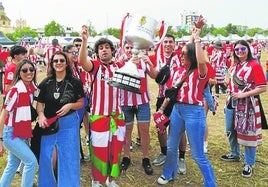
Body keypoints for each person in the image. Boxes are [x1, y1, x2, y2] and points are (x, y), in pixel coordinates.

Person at [156, 16, 217, 186]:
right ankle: (169, 173)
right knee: (171, 145)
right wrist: (162, 109)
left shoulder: (200, 72)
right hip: (177, 110)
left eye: (184, 54)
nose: (180, 56)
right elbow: (172, 93)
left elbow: (199, 57)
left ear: (192, 56)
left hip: (194, 113)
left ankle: (210, 183)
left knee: (198, 154)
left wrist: (197, 38)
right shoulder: (177, 71)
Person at [79, 25, 126, 187]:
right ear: (97, 53)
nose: (104, 50)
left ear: (112, 51)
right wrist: (85, 41)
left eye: (107, 47)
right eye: (101, 48)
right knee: (99, 150)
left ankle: (111, 179)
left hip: (117, 116)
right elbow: (82, 62)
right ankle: (97, 179)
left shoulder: (119, 67)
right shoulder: (96, 67)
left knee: (115, 149)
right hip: (99, 116)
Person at [35, 51, 84, 186]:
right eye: (55, 61)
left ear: (66, 63)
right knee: (48, 158)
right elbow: (39, 103)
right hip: (49, 124)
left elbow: (81, 102)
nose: (59, 63)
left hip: (69, 124)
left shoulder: (75, 82)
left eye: (62, 60)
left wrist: (70, 105)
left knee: (69, 158)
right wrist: (41, 115)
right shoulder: (46, 82)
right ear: (52, 64)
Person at [220, 40, 267, 178]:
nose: (240, 52)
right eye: (237, 49)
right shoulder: (235, 66)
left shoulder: (255, 66)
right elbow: (231, 85)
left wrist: (242, 94)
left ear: (248, 49)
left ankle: (249, 163)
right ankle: (235, 153)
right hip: (232, 102)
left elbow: (262, 87)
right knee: (230, 129)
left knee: (248, 133)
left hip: (248, 104)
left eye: (242, 49)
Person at [150, 34, 187, 175]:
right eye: (165, 42)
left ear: (174, 43)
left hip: (178, 98)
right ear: (161, 44)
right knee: (161, 127)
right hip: (162, 97)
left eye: (170, 42)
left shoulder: (180, 55)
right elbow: (153, 75)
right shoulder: (156, 57)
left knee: (179, 129)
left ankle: (181, 158)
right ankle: (164, 153)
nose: (168, 44)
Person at [118, 41, 158, 175]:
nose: (130, 50)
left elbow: (154, 76)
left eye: (131, 48)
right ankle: (126, 156)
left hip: (142, 103)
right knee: (127, 130)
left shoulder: (143, 62)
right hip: (125, 103)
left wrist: (151, 64)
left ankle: (145, 158)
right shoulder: (120, 63)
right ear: (123, 49)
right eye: (127, 48)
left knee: (144, 131)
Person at [0, 59, 38, 187]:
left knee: (12, 165)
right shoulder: (15, 91)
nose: (29, 72)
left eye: (31, 69)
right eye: (25, 70)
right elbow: (3, 115)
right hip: (10, 134)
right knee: (31, 162)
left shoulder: (31, 88)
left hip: (19, 132)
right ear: (19, 72)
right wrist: (0, 140)